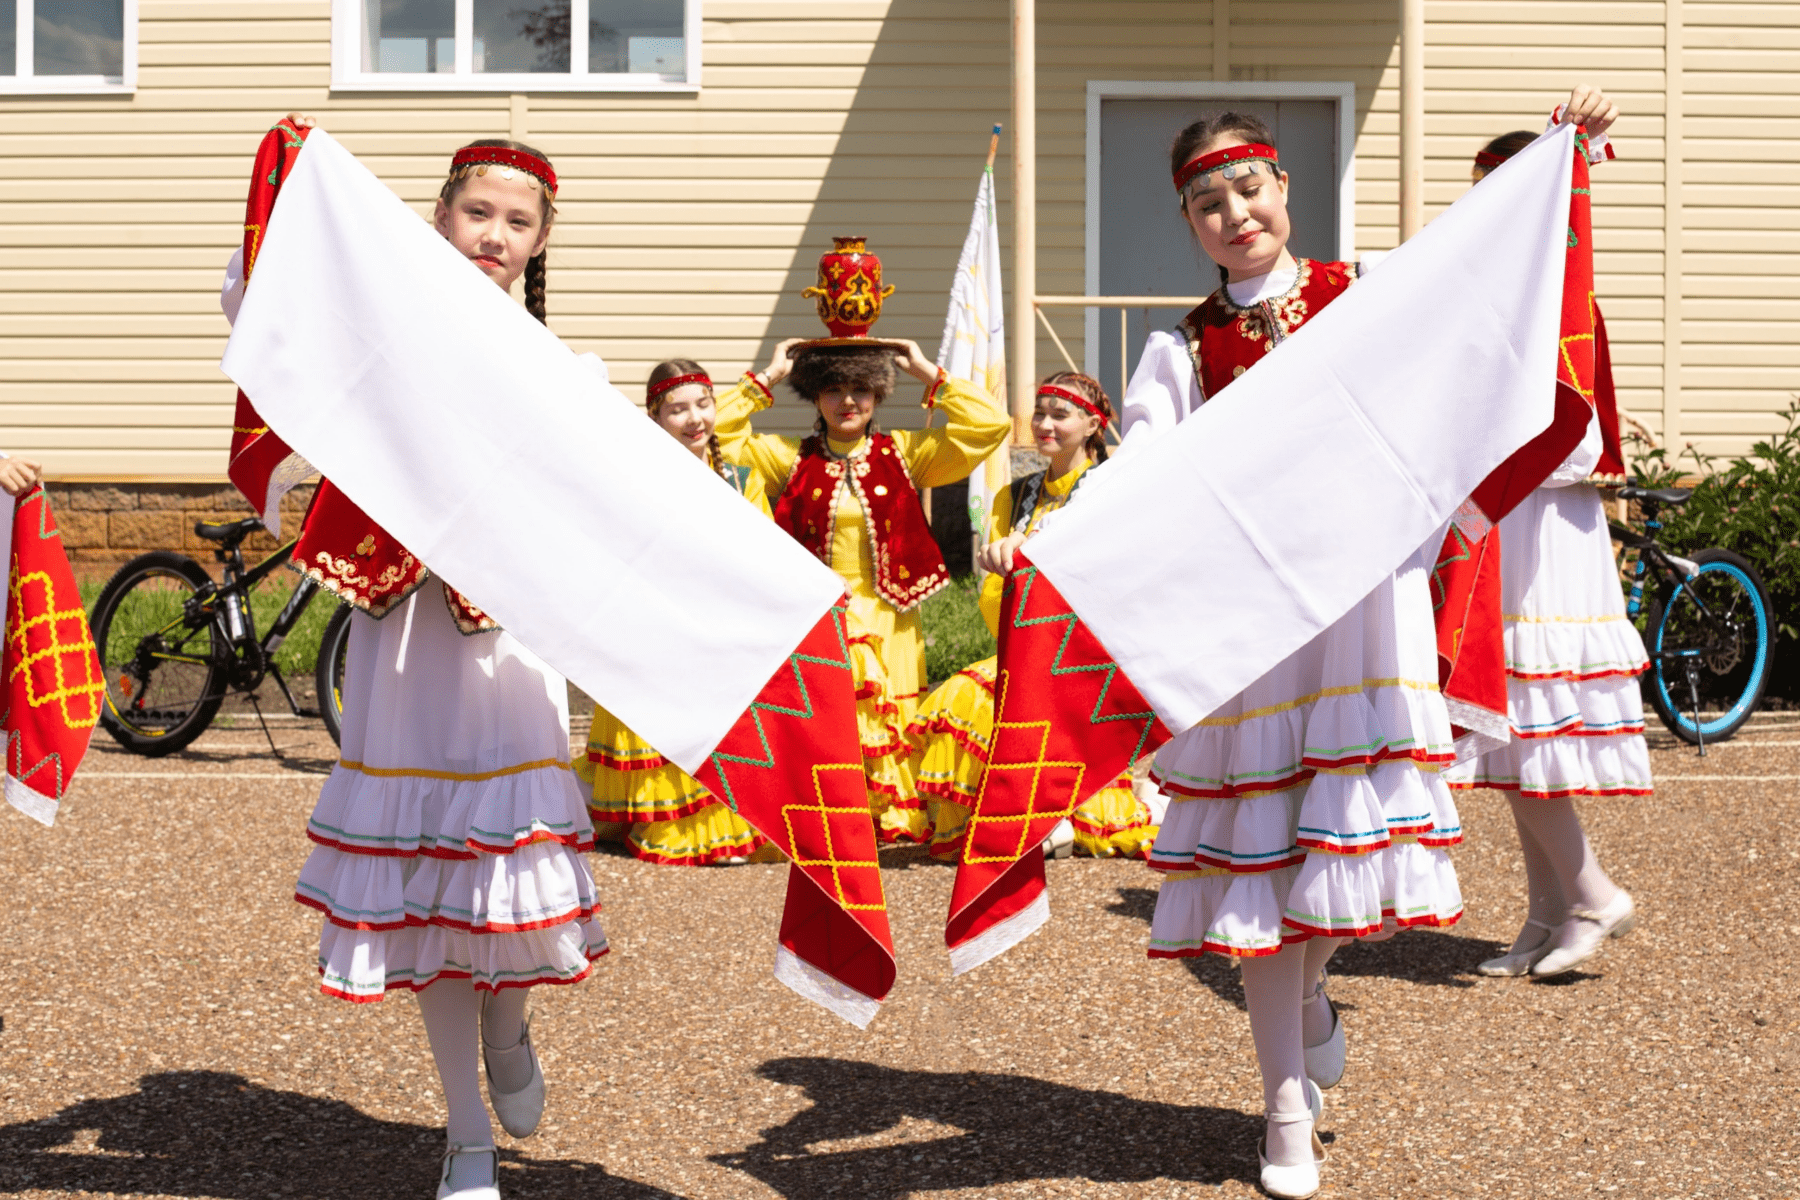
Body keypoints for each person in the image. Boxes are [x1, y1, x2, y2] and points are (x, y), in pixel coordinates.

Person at [254, 120, 606, 1200]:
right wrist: (298, 198)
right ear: (438, 216)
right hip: (401, 643)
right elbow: (256, 298)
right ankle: (466, 1135)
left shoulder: (563, 368)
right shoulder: (374, 341)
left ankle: (512, 1027)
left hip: (506, 653)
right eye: (476, 211)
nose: (494, 233)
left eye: (519, 220)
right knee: (427, 892)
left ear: (541, 243)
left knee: (506, 877)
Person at [1446, 95, 1645, 981]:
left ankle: (1595, 893)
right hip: (1505, 529)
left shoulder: (1565, 312)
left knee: (1533, 735)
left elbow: (1583, 446)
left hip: (1543, 537)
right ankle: (1544, 912)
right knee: (1515, 734)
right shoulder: (1496, 311)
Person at [715, 336, 1010, 843]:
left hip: (892, 616)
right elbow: (719, 432)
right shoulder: (787, 459)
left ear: (877, 394)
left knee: (894, 718)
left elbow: (990, 426)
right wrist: (767, 377)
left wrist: (925, 371)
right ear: (813, 397)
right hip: (822, 619)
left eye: (861, 389)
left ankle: (892, 815)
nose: (848, 401)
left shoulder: (906, 452)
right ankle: (834, 816)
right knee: (831, 721)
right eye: (832, 389)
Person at [914, 372, 1159, 862]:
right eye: (1039, 413)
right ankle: (1016, 822)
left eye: (1059, 415)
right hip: (1023, 641)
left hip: (1087, 648)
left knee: (997, 697)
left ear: (1093, 424)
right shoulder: (1015, 495)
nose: (1044, 424)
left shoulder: (1110, 489)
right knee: (963, 696)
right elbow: (994, 586)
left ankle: (1052, 817)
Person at [572, 359, 781, 866]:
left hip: (721, 624)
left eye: (704, 404)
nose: (695, 419)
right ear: (655, 418)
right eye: (677, 409)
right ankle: (656, 814)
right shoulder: (634, 478)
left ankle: (714, 815)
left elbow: (766, 555)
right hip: (655, 625)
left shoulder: (739, 479)